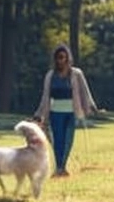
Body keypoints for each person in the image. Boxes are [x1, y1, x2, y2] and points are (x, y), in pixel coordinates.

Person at [34, 44, 98, 177]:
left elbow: (85, 92)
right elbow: (45, 96)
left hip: (71, 113)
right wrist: (39, 114)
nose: (60, 60)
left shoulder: (76, 74)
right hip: (55, 112)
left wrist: (91, 106)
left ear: (68, 58)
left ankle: (62, 167)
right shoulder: (50, 75)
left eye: (63, 57)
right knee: (57, 140)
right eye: (58, 58)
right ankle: (59, 168)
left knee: (68, 141)